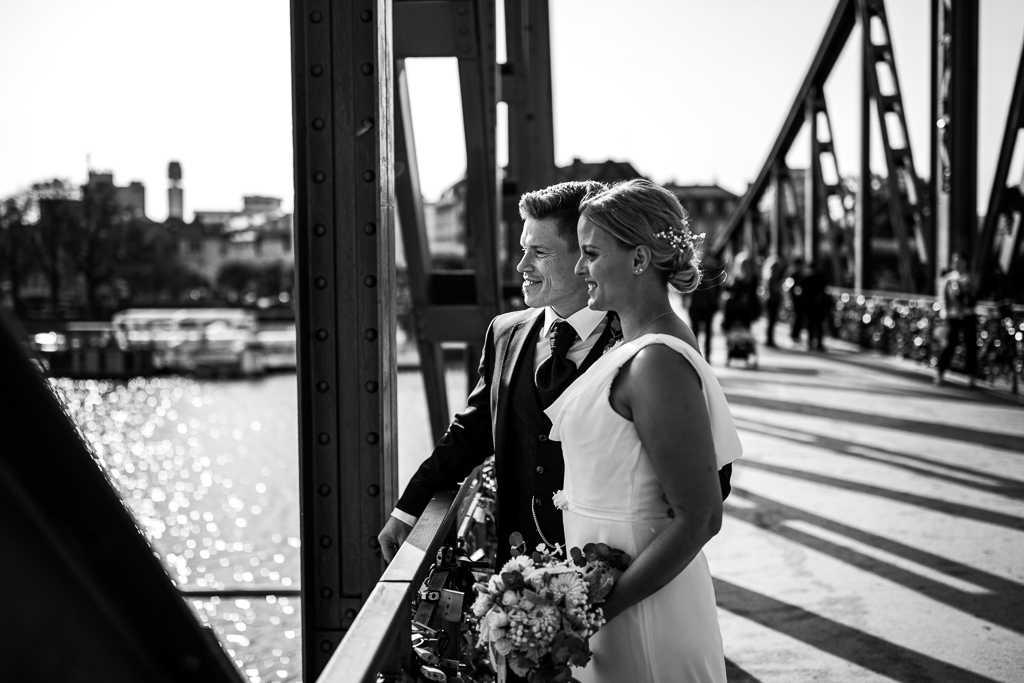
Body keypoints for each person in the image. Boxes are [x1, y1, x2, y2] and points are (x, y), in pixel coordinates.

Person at [546, 179, 742, 683]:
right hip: (613, 595)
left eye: (590, 253)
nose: (578, 268)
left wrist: (595, 612)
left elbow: (700, 516)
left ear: (638, 260)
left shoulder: (656, 360)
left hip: (640, 607)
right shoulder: (641, 344)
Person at [377, 180, 616, 570]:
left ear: (586, 257)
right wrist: (408, 510)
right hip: (521, 568)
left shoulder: (637, 342)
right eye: (524, 250)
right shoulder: (504, 332)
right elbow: (471, 432)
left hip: (610, 567)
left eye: (539, 252)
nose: (521, 266)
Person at [935, 252, 977, 387]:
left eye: (959, 261)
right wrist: (945, 313)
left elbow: (974, 297)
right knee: (950, 345)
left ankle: (971, 376)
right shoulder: (948, 279)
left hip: (967, 315)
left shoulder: (970, 279)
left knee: (970, 345)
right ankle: (940, 373)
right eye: (955, 262)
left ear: (965, 263)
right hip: (952, 316)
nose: (957, 264)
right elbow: (942, 297)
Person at [685, 254, 722, 362]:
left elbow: (718, 290)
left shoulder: (715, 272)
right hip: (696, 305)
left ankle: (707, 356)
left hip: (708, 306)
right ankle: (695, 355)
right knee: (695, 331)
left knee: (707, 331)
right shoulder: (695, 271)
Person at [762, 255, 785, 347]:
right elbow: (774, 290)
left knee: (772, 321)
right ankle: (769, 339)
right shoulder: (771, 278)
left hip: (774, 300)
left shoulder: (775, 278)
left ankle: (770, 339)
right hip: (771, 301)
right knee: (771, 321)